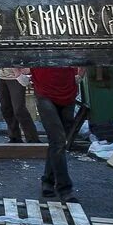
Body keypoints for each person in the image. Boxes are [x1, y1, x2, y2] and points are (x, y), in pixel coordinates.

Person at [30, 65, 87, 203]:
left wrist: (81, 74)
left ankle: (48, 180)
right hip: (44, 91)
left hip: (68, 90)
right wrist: (18, 72)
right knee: (58, 141)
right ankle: (65, 188)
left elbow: (84, 52)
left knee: (57, 143)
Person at [0, 67, 40, 143]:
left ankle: (32, 139)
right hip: (1, 76)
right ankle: (14, 137)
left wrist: (20, 72)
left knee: (19, 109)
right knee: (6, 109)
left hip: (15, 77)